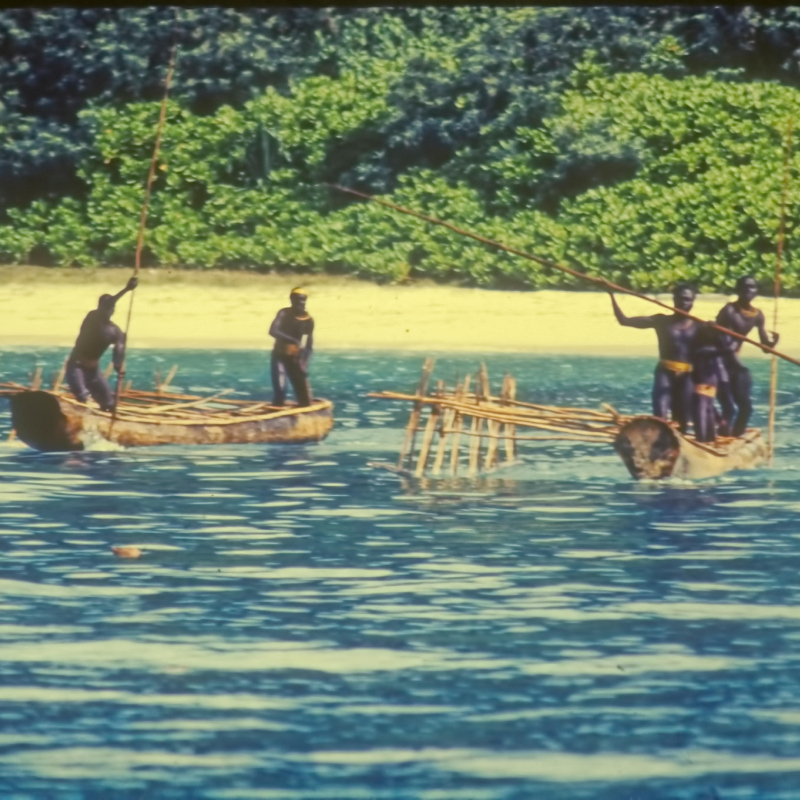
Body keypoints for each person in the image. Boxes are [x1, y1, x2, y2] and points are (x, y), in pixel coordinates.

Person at [608, 284, 700, 433]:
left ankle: (678, 449)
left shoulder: (699, 326)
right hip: (665, 373)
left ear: (693, 301)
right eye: (680, 299)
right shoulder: (661, 321)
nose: (684, 303)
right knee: (659, 417)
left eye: (688, 300)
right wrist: (611, 294)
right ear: (673, 300)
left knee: (682, 418)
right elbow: (623, 320)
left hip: (687, 376)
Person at [714, 275, 779, 436]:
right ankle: (718, 435)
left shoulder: (757, 315)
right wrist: (739, 366)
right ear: (738, 290)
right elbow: (723, 344)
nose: (748, 291)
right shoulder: (729, 310)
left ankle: (736, 436)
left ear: (757, 291)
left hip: (734, 362)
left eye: (752, 288)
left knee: (746, 408)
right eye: (744, 288)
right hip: (718, 361)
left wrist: (773, 342)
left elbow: (765, 348)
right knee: (728, 407)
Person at [66, 277, 138, 411]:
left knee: (109, 405)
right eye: (105, 307)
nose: (107, 310)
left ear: (113, 310)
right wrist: (126, 290)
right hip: (76, 368)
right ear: (99, 307)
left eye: (110, 308)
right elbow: (110, 301)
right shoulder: (92, 318)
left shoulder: (115, 332)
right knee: (83, 398)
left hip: (93, 373)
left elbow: (118, 355)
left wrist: (119, 365)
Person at [269, 288, 314, 407]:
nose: (299, 303)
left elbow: (308, 345)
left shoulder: (308, 320)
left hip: (296, 359)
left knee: (304, 397)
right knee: (280, 390)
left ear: (305, 301)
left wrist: (304, 363)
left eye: (302, 300)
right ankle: (277, 409)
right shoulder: (283, 313)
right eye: (296, 300)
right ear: (291, 300)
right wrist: (292, 340)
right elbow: (273, 331)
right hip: (280, 356)